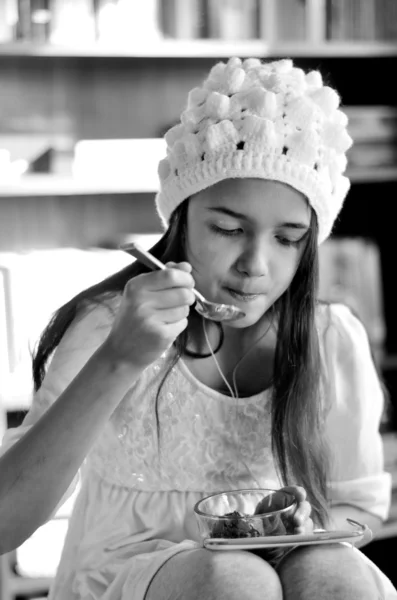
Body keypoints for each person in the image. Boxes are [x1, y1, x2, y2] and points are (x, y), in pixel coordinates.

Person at [0, 57, 395, 600]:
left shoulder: (330, 340)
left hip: (272, 577)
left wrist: (290, 535)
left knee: (337, 571)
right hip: (121, 579)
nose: (255, 264)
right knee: (231, 578)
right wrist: (120, 359)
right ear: (181, 218)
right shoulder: (109, 327)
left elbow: (357, 506)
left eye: (287, 238)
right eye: (229, 228)